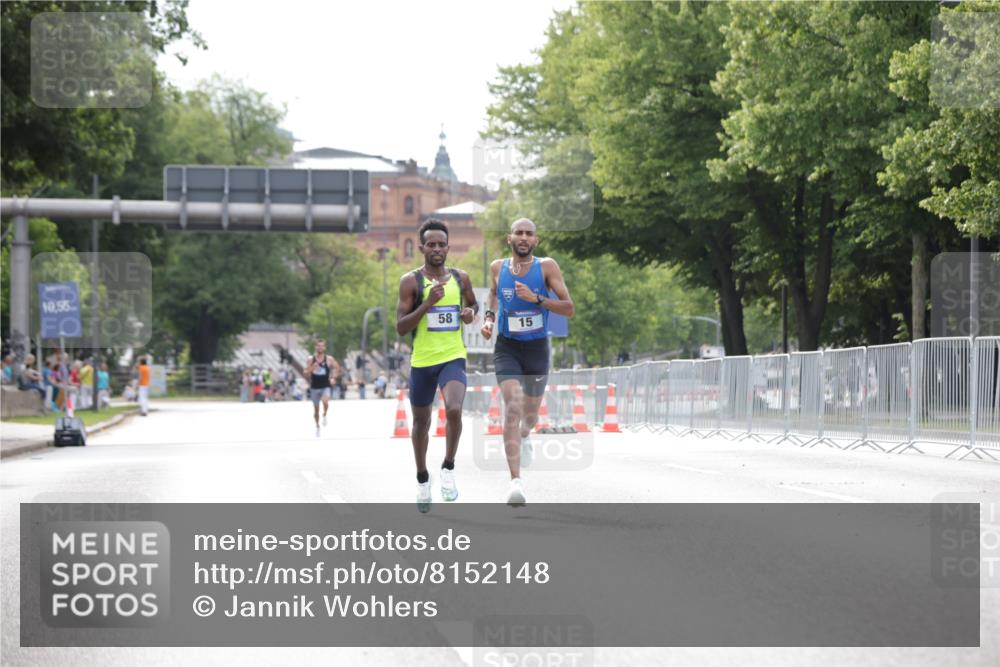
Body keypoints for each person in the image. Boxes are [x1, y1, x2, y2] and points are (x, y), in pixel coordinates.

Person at [481, 218, 574, 506]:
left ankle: (525, 433)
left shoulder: (547, 267)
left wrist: (537, 299)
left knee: (530, 416)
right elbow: (494, 296)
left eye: (529, 234)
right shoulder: (498, 267)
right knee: (513, 404)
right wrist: (488, 319)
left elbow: (568, 308)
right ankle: (515, 482)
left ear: (537, 240)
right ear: (509, 238)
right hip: (507, 347)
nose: (523, 237)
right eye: (518, 232)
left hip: (536, 349)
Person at [396, 218, 478, 512]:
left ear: (448, 247)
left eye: (441, 244)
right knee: (421, 423)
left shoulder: (461, 278)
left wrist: (469, 313)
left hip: (453, 356)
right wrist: (427, 303)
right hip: (422, 362)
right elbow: (402, 327)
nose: (436, 249)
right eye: (431, 244)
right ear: (421, 247)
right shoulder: (411, 282)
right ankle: (421, 477)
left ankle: (448, 467)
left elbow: (472, 305)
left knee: (454, 410)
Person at [304, 339, 340, 437]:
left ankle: (324, 414)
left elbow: (337, 368)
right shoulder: (310, 359)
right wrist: (312, 368)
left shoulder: (329, 359)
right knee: (316, 410)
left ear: (324, 347)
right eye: (318, 346)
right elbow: (306, 372)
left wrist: (333, 378)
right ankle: (317, 426)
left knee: (325, 401)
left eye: (322, 346)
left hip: (325, 385)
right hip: (314, 387)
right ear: (315, 347)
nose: (320, 347)